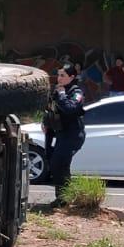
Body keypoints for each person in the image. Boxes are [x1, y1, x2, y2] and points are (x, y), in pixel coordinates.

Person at [48, 63, 86, 202]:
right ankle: (64, 198)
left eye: (62, 75)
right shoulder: (57, 91)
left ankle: (63, 199)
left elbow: (70, 108)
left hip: (73, 135)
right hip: (60, 133)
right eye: (58, 75)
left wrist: (62, 95)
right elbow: (51, 108)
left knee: (59, 164)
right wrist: (45, 122)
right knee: (58, 165)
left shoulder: (76, 92)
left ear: (72, 77)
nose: (59, 78)